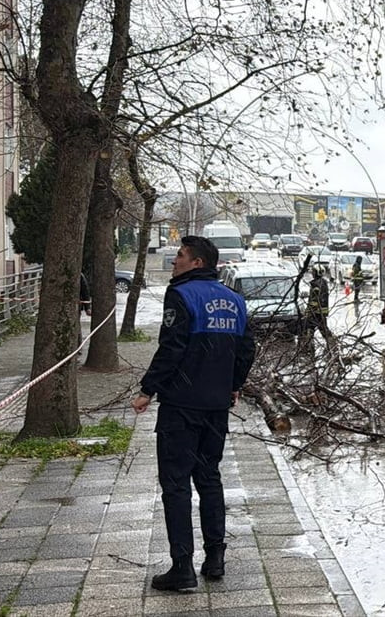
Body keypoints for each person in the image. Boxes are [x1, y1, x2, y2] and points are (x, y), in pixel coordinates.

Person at [131, 236, 256, 591]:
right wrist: (233, 385)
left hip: (181, 407)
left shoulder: (182, 295)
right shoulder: (235, 300)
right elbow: (247, 349)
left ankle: (182, 568)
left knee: (176, 485)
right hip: (216, 407)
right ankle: (215, 559)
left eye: (180, 257)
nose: (174, 262)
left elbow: (172, 348)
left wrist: (147, 389)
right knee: (209, 478)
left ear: (197, 262)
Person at [302, 265, 335, 351]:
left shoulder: (316, 284)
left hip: (315, 312)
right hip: (321, 312)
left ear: (316, 273)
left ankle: (308, 348)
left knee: (309, 329)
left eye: (313, 271)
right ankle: (332, 346)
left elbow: (314, 300)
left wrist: (308, 311)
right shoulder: (323, 283)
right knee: (323, 329)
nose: (312, 273)